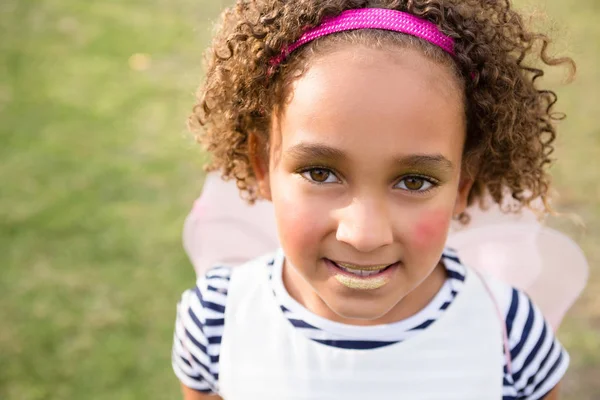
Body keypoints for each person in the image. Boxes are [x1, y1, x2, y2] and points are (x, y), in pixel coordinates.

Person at [172, 1, 579, 399]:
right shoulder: (217, 322)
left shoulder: (509, 336)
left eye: (414, 181)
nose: (364, 236)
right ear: (263, 166)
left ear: (461, 188)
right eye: (320, 172)